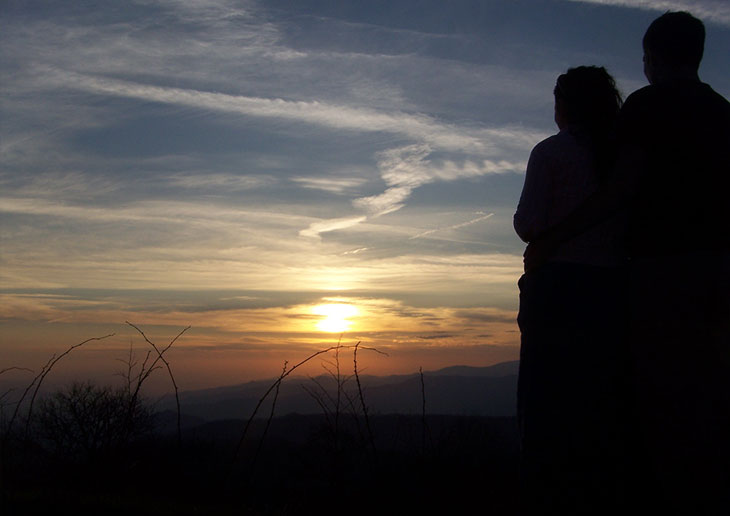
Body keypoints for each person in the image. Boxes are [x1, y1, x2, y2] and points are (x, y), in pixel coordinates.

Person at [524, 12, 730, 515]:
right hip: (717, 268)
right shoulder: (722, 111)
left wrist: (553, 237)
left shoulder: (646, 107)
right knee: (707, 391)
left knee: (653, 396)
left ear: (654, 56)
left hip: (658, 269)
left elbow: (623, 189)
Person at [514, 66, 628, 515]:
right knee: (598, 396)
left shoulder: (551, 153)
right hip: (614, 287)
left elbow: (530, 224)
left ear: (564, 104)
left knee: (545, 397)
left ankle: (547, 492)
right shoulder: (624, 155)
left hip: (557, 286)